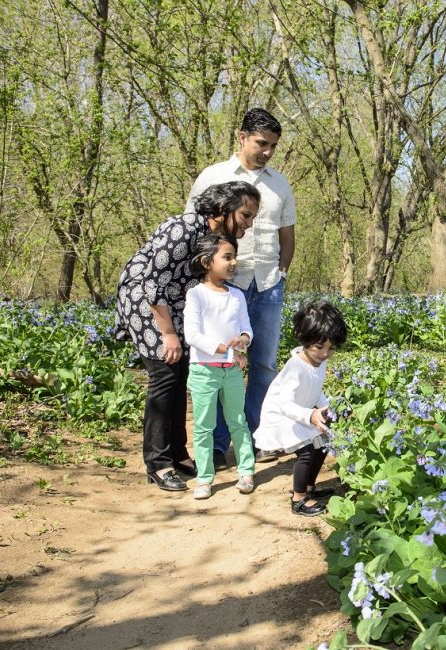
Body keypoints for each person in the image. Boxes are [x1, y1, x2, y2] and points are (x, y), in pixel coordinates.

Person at [115, 181, 260, 491]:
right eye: (246, 215)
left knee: (180, 374)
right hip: (145, 302)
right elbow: (152, 284)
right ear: (223, 210)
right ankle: (158, 463)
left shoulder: (212, 237)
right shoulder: (182, 228)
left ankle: (178, 454)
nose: (249, 224)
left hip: (174, 303)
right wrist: (167, 333)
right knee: (165, 375)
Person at [185, 108, 295, 470]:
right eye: (261, 143)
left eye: (273, 146)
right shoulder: (213, 176)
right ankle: (217, 445)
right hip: (224, 284)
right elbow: (194, 227)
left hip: (266, 285)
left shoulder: (280, 184)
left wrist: (281, 271)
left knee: (263, 363)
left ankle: (255, 436)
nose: (266, 151)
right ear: (242, 136)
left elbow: (287, 234)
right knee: (220, 363)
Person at [254, 301, 347, 517]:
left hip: (303, 412)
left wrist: (327, 407)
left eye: (331, 348)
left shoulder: (319, 362)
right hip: (283, 416)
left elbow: (316, 389)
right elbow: (284, 403)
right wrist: (310, 414)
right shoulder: (295, 366)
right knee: (305, 451)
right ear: (305, 340)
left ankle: (310, 488)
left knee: (322, 444)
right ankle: (298, 499)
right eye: (319, 347)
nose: (325, 354)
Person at [183, 233, 257, 499]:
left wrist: (244, 341)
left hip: (233, 372)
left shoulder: (236, 295)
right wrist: (223, 348)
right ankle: (204, 479)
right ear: (206, 261)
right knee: (204, 426)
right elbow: (192, 335)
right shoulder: (196, 295)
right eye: (227, 257)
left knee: (238, 422)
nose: (233, 262)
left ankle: (246, 472)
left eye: (234, 256)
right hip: (204, 371)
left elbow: (246, 328)